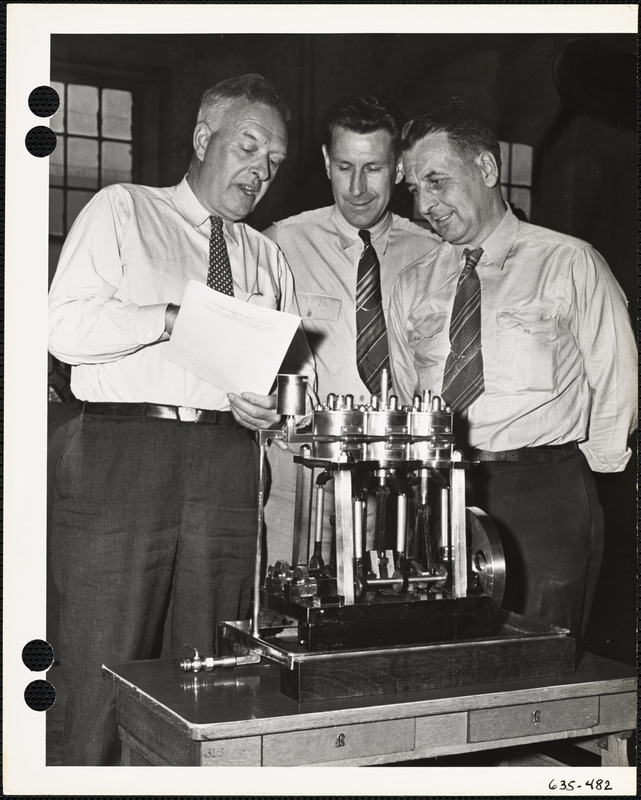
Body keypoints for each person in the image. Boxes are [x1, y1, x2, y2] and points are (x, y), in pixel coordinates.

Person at [48, 73, 311, 766]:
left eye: (273, 162)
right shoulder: (123, 210)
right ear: (203, 137)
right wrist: (168, 319)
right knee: (100, 661)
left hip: (227, 467)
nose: (259, 171)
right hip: (122, 454)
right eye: (248, 147)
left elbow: (291, 383)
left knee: (211, 672)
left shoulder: (266, 256)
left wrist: (272, 402)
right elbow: (63, 330)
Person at [388, 97, 637, 642]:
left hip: (543, 490)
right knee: (445, 652)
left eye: (437, 181)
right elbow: (407, 391)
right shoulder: (412, 283)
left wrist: (586, 476)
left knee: (541, 668)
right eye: (414, 188)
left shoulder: (569, 262)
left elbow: (617, 376)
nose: (424, 203)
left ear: (486, 168)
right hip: (442, 489)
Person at [262, 93, 440, 560]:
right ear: (325, 162)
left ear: (399, 168)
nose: (357, 188)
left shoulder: (432, 254)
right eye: (344, 167)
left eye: (374, 169)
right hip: (299, 478)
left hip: (396, 477)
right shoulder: (280, 243)